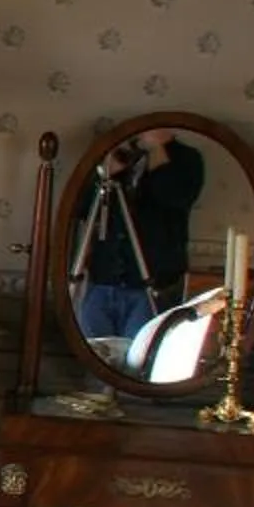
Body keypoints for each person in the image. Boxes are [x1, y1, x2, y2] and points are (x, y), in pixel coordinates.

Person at [73, 128, 203, 346]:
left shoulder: (186, 159)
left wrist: (157, 149)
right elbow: (82, 208)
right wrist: (103, 172)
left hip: (152, 284)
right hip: (103, 280)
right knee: (95, 354)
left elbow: (172, 196)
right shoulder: (124, 154)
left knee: (140, 359)